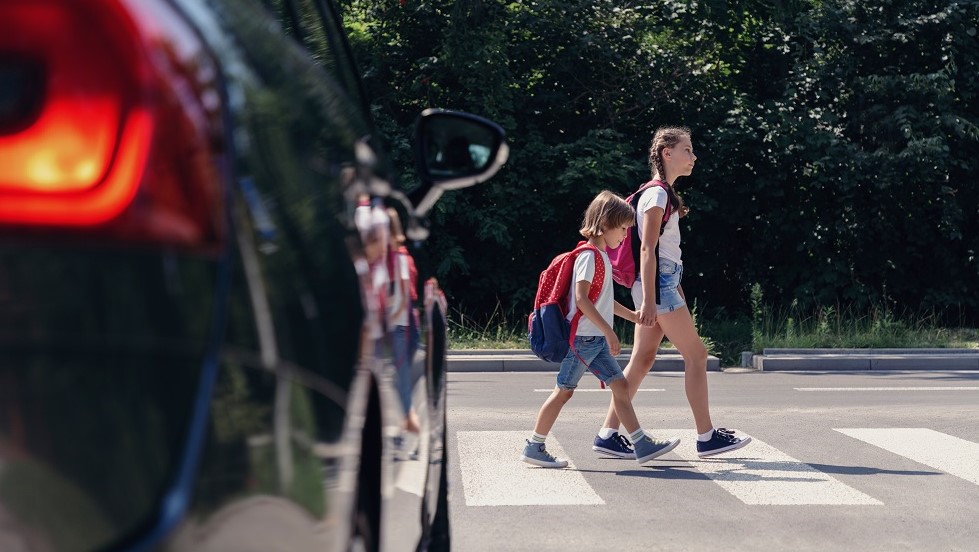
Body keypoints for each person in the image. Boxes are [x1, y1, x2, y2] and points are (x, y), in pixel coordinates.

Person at [592, 126, 751, 459]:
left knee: (642, 359)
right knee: (696, 356)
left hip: (662, 283)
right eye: (687, 150)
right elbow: (647, 249)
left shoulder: (660, 194)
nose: (693, 156)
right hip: (657, 286)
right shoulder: (658, 195)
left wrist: (668, 287)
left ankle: (607, 434)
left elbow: (662, 251)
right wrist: (651, 300)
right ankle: (707, 436)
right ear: (667, 153)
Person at [521, 191, 681, 468]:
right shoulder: (588, 256)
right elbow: (582, 299)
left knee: (620, 386)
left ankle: (641, 443)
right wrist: (609, 331)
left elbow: (603, 300)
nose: (624, 237)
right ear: (604, 224)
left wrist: (632, 316)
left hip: (591, 339)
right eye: (622, 229)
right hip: (583, 340)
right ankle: (534, 445)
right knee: (563, 392)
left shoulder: (601, 257)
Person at [387, 208, 422, 434]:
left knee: (400, 381)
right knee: (400, 380)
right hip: (406, 325)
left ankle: (408, 427)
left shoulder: (397, 258)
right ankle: (407, 425)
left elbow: (400, 296)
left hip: (399, 326)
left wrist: (386, 319)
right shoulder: (402, 256)